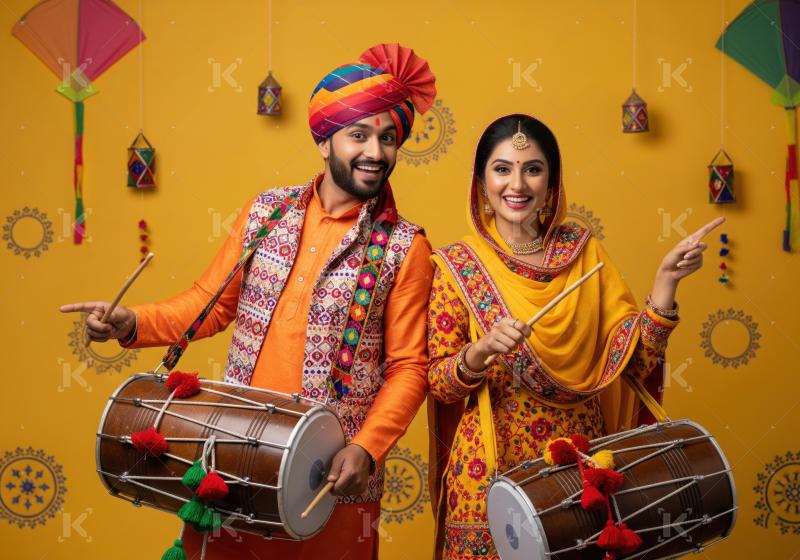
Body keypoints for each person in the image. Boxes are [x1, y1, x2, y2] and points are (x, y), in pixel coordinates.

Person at [61, 43, 437, 560]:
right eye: (359, 134)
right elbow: (209, 304)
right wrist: (132, 321)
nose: (376, 151)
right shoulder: (266, 212)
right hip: (232, 454)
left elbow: (409, 367)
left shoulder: (405, 247)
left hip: (330, 474)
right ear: (324, 142)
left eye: (389, 138)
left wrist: (366, 449)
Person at [426, 114, 723, 559]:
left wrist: (665, 283)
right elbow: (438, 381)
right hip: (490, 464)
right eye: (502, 168)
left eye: (533, 168)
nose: (517, 183)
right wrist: (482, 350)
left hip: (578, 464)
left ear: (552, 180)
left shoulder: (584, 254)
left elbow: (635, 365)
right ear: (481, 182)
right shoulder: (457, 266)